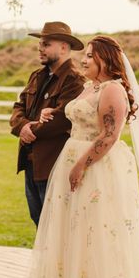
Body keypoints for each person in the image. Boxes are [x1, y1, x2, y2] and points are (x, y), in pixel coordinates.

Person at [19, 36, 139, 278]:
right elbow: (77, 117)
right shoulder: (88, 88)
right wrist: (49, 113)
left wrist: (81, 164)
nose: (84, 60)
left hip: (97, 168)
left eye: (91, 56)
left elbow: (109, 135)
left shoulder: (113, 90)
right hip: (71, 158)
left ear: (105, 60)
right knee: (71, 232)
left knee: (93, 233)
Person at [10, 21, 85, 227]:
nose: (40, 48)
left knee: (55, 226)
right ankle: (44, 261)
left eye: (46, 44)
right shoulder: (37, 76)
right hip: (31, 162)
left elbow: (60, 120)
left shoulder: (74, 80)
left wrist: (29, 129)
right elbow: (18, 107)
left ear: (63, 47)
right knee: (38, 221)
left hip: (54, 163)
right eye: (40, 44)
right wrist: (22, 126)